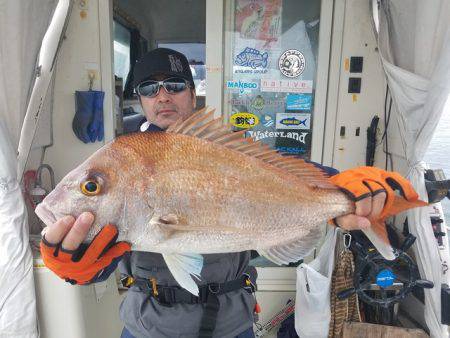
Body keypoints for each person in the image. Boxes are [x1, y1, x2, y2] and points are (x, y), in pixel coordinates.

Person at [41, 48, 397, 338]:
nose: (162, 96)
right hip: (150, 328)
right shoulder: (123, 158)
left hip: (233, 325)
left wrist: (352, 191)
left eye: (175, 85)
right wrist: (77, 266)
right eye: (149, 88)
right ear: (140, 100)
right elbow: (104, 261)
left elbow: (296, 172)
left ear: (192, 94)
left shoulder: (234, 150)